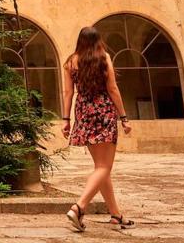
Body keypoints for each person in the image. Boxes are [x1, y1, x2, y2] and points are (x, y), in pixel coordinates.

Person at [61, 26, 135, 232]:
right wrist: (124, 117)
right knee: (104, 168)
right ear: (97, 41)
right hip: (103, 112)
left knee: (101, 167)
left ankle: (116, 215)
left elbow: (68, 93)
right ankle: (79, 207)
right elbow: (112, 88)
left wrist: (66, 119)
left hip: (84, 112)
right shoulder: (104, 58)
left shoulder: (70, 62)